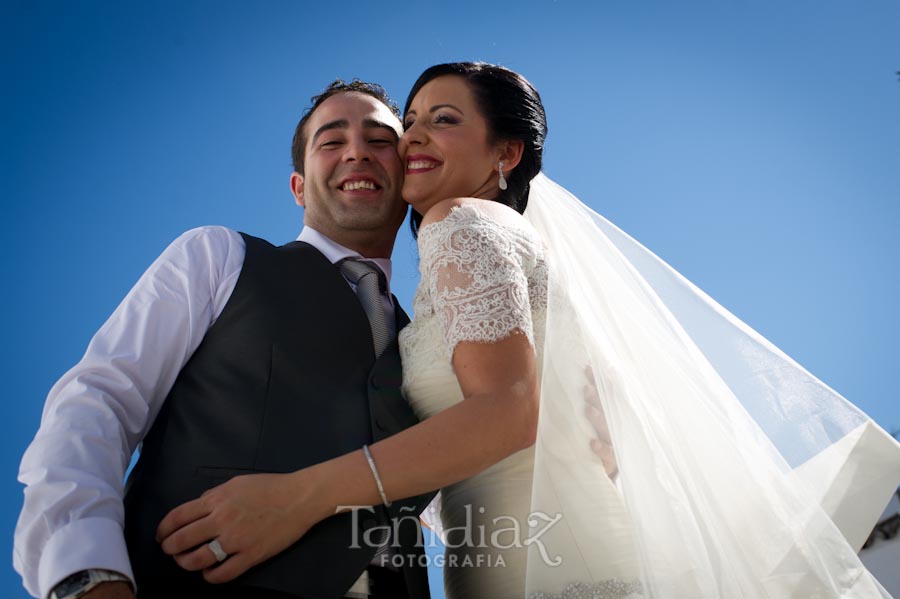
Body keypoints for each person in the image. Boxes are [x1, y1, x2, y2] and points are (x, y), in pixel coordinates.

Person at [157, 62, 900, 598]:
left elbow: (509, 410)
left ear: (505, 153)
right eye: (410, 120)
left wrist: (300, 496)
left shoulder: (459, 222)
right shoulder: (511, 257)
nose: (412, 136)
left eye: (442, 120)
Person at [14, 80, 435, 599]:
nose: (356, 151)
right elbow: (99, 399)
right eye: (331, 141)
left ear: (409, 173)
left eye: (379, 141)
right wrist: (87, 573)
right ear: (299, 187)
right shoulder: (219, 257)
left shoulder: (431, 344)